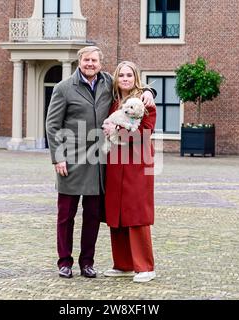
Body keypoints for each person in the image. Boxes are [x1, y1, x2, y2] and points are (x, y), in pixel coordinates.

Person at [45, 47, 155, 279]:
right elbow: (52, 125)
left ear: (101, 64)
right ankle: (64, 262)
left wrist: (149, 91)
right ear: (80, 61)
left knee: (93, 215)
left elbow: (132, 84)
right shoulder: (63, 88)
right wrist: (58, 157)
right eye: (86, 60)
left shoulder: (108, 83)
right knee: (66, 215)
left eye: (94, 60)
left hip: (100, 162)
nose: (90, 64)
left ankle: (87, 262)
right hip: (72, 161)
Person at [102, 61, 157, 283]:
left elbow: (144, 133)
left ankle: (145, 266)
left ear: (136, 78)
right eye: (121, 75)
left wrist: (117, 130)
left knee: (137, 212)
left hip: (138, 162)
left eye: (129, 75)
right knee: (117, 212)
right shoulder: (112, 101)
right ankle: (123, 264)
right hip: (115, 161)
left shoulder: (145, 102)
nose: (125, 79)